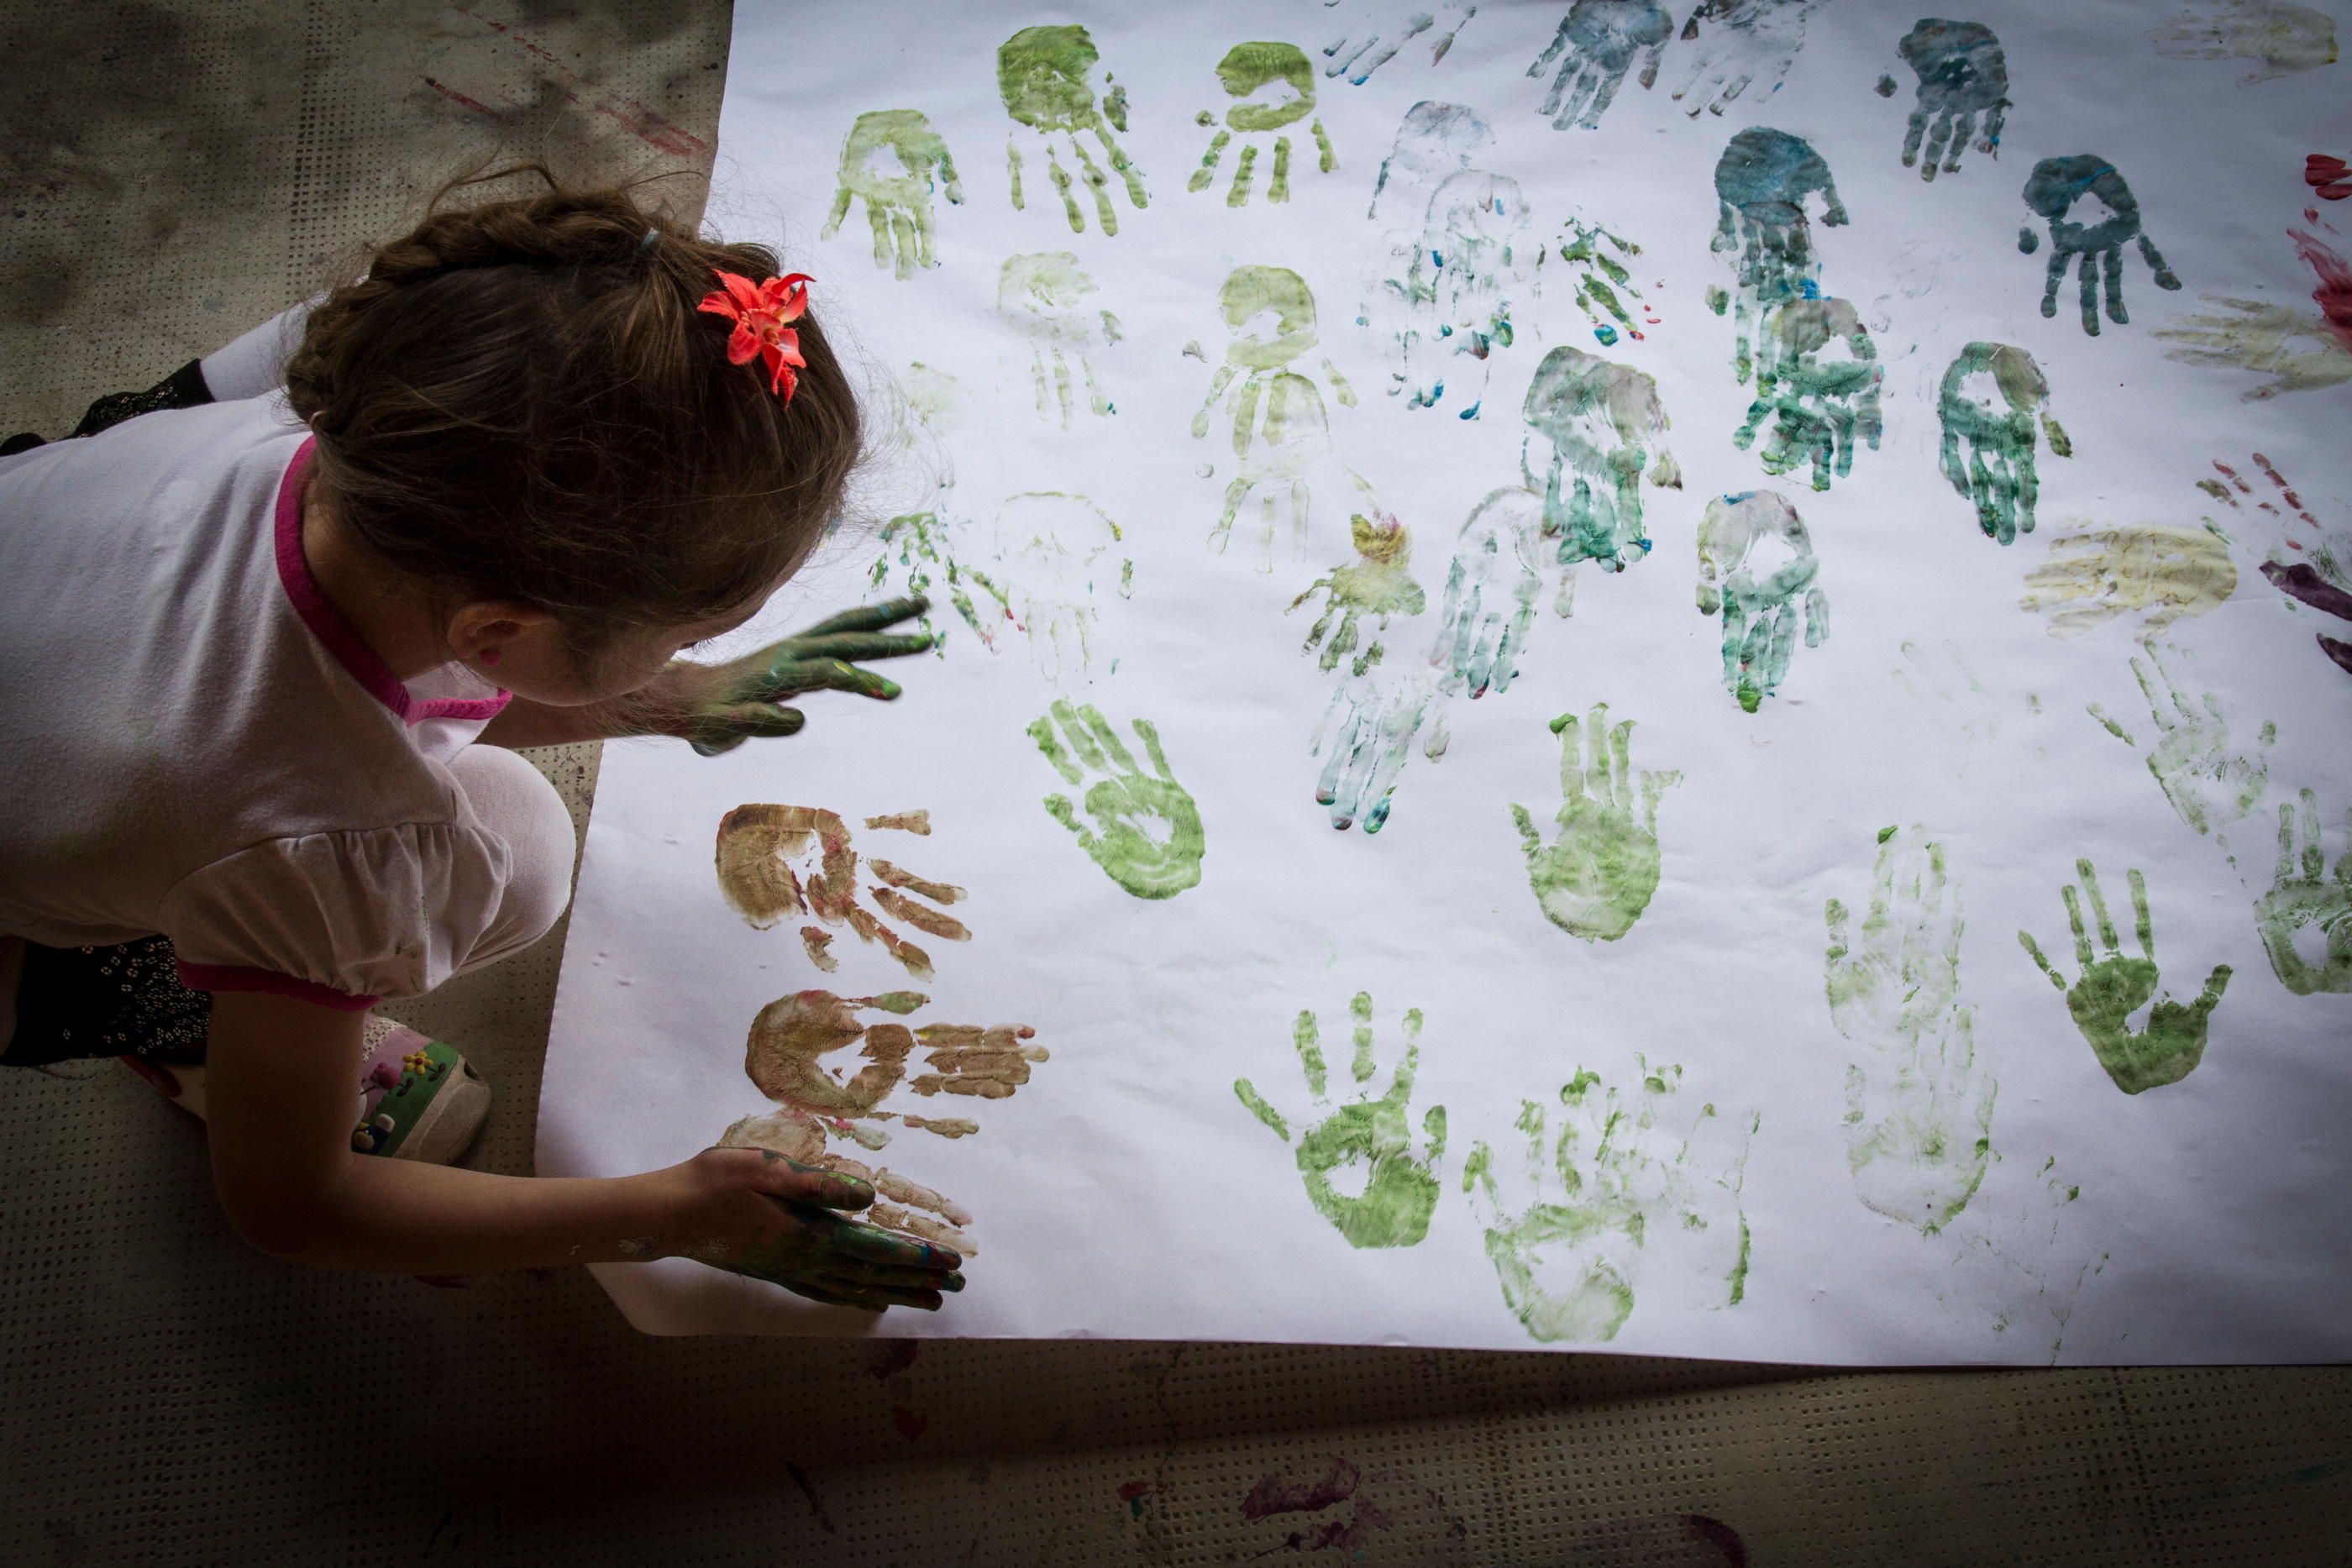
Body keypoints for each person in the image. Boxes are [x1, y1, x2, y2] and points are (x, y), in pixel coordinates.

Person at [0, 170, 963, 1313]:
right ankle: (186, 1033)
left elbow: (388, 665)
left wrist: (670, 697)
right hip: (43, 890)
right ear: (498, 630)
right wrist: (671, 1210)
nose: (688, 654)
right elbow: (293, 1206)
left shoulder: (371, 378)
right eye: (685, 634)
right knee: (512, 849)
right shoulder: (323, 846)